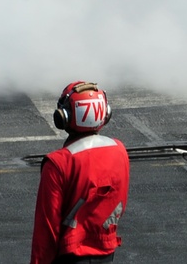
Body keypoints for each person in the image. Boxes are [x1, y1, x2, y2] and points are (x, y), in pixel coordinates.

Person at [31, 81, 129, 264]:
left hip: (71, 255)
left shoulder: (58, 163)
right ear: (104, 114)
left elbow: (46, 230)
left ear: (64, 117)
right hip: (106, 252)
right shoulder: (119, 150)